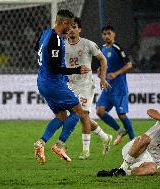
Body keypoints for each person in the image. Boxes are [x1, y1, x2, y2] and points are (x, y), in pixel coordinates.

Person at [33, 9, 92, 164]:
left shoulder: (45, 33)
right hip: (54, 83)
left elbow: (36, 50)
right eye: (70, 25)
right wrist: (76, 70)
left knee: (61, 116)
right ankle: (60, 145)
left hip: (43, 82)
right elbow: (54, 68)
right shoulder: (56, 40)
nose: (71, 29)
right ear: (64, 23)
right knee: (79, 112)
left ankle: (41, 142)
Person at [64, 17, 112, 160]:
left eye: (74, 27)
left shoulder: (88, 44)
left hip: (85, 85)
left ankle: (86, 151)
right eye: (70, 27)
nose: (71, 30)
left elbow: (103, 59)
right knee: (80, 116)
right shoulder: (62, 46)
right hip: (70, 85)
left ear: (79, 29)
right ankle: (105, 137)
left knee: (83, 115)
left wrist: (103, 78)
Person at [96, 25, 135, 145]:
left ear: (114, 34)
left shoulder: (117, 48)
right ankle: (120, 130)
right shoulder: (102, 48)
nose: (107, 36)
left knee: (121, 114)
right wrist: (100, 70)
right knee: (99, 111)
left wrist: (116, 73)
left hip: (119, 88)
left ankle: (133, 140)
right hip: (108, 88)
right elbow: (105, 65)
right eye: (104, 34)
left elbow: (129, 64)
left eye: (109, 33)